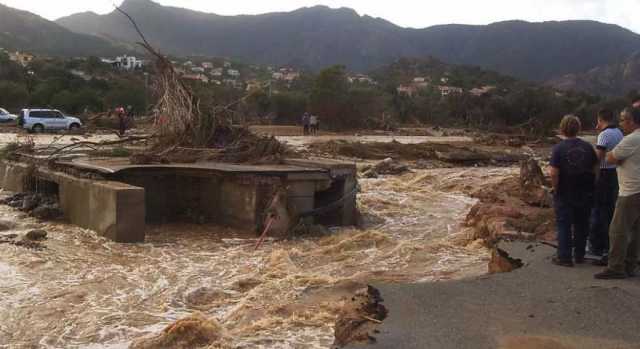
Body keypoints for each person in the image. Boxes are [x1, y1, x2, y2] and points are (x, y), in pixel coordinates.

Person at [595, 107, 640, 279]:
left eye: (622, 120)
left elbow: (610, 158)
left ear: (631, 121)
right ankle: (630, 264)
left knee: (617, 230)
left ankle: (615, 267)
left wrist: (614, 156)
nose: (620, 124)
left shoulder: (631, 139)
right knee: (636, 230)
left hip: (630, 190)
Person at [549, 115, 598, 267]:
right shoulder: (588, 147)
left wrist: (555, 188)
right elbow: (596, 169)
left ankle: (564, 258)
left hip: (565, 190)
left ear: (562, 129)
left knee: (564, 224)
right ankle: (579, 255)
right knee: (582, 224)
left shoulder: (558, 148)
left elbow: (553, 173)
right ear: (579, 128)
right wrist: (592, 186)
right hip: (585, 191)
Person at [588, 109, 623, 263]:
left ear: (600, 119)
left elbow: (598, 158)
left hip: (603, 174)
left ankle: (596, 246)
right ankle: (609, 245)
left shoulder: (604, 135)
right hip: (615, 174)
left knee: (598, 210)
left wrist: (593, 178)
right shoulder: (619, 133)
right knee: (610, 211)